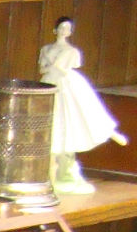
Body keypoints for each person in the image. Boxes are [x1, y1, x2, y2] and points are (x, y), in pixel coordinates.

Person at [39, 16, 128, 193]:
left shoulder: (72, 51)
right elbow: (43, 69)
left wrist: (55, 65)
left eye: (68, 28)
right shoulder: (46, 49)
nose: (65, 31)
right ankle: (50, 175)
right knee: (52, 119)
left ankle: (108, 132)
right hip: (50, 83)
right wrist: (52, 66)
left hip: (66, 84)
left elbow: (64, 70)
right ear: (55, 30)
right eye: (62, 27)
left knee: (77, 113)